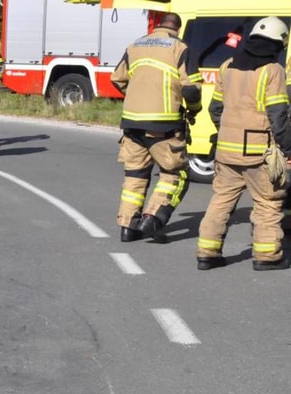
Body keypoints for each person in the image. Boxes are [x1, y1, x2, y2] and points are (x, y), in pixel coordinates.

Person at [196, 17, 291, 271]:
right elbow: (278, 114)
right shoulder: (273, 70)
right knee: (268, 202)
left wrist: (226, 131)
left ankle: (207, 253)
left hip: (226, 149)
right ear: (279, 42)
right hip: (258, 152)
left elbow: (215, 108)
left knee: (221, 200)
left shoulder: (228, 65)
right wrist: (288, 147)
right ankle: (267, 256)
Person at [111, 13, 202, 243]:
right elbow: (191, 90)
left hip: (131, 123)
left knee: (135, 175)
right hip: (164, 125)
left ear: (159, 26)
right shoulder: (180, 47)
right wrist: (194, 109)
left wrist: (136, 97)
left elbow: (117, 79)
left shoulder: (135, 45)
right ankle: (152, 218)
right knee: (176, 173)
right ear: (177, 29)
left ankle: (128, 227)